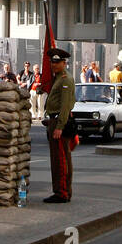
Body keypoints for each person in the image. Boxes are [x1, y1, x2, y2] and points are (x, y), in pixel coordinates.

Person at [43, 49, 75, 203]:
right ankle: (63, 191)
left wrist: (59, 126)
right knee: (60, 158)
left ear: (64, 63)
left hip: (59, 121)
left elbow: (65, 105)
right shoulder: (57, 78)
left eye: (57, 62)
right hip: (54, 120)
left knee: (60, 160)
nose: (54, 65)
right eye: (52, 62)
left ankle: (62, 192)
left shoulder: (65, 79)